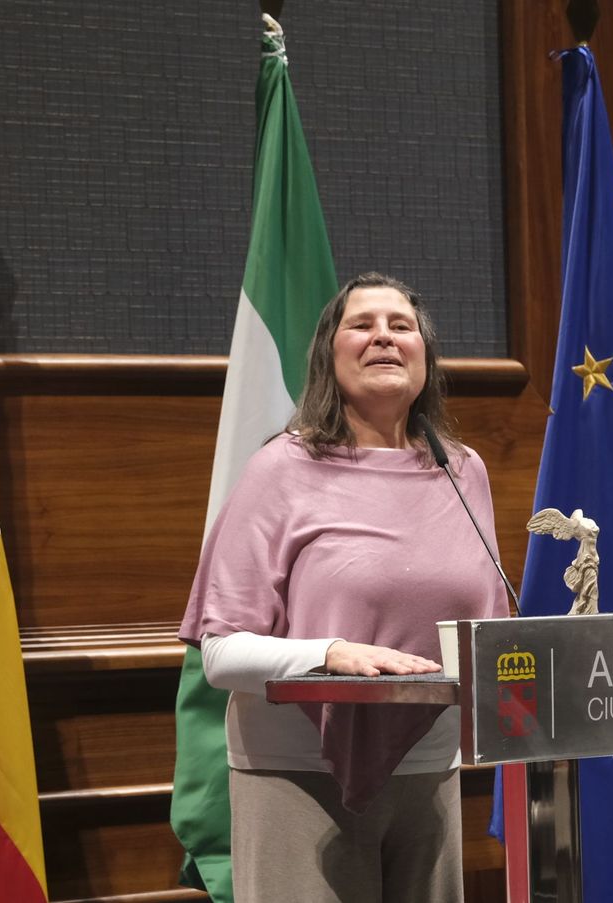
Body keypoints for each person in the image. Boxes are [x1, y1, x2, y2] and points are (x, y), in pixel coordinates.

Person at [177, 272, 508, 902]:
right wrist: (330, 655)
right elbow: (219, 656)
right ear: (330, 355)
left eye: (401, 325)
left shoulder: (462, 470)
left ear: (425, 356)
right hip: (298, 774)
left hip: (430, 770)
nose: (383, 336)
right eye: (362, 325)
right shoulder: (282, 467)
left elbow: (483, 633)